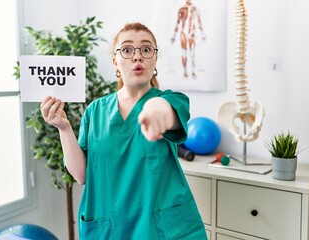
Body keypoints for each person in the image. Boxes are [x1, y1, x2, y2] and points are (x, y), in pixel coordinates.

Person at [40, 22, 207, 240]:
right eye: (127, 50)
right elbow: (81, 175)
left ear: (155, 59)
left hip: (158, 229)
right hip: (109, 226)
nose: (137, 56)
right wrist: (63, 127)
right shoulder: (95, 110)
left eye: (146, 49)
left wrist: (156, 109)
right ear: (115, 62)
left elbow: (167, 113)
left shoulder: (172, 100)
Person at [171, 0, 206, 79]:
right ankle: (185, 71)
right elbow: (178, 23)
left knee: (192, 53)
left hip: (191, 33)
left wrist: (202, 35)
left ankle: (193, 71)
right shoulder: (182, 9)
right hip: (184, 33)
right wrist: (174, 36)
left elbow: (199, 22)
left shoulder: (195, 8)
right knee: (184, 53)